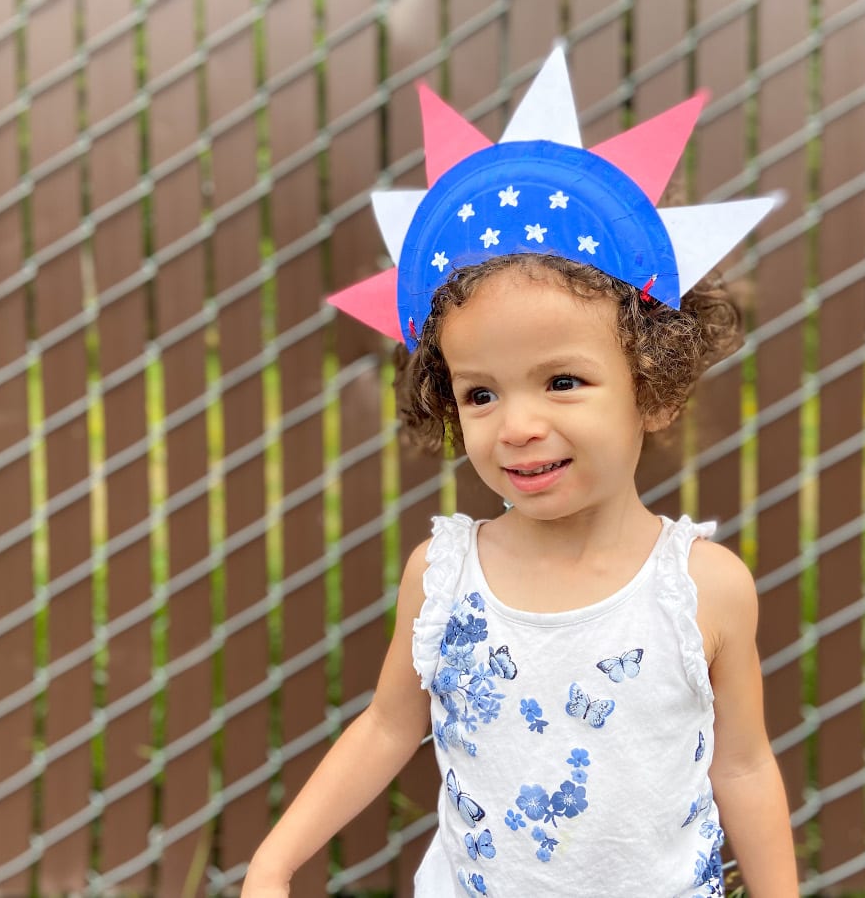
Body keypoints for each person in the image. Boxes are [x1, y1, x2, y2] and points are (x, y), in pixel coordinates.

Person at [244, 45, 798, 897]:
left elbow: (747, 767)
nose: (520, 425)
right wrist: (278, 861)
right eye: (481, 393)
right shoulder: (444, 579)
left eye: (563, 381)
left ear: (653, 388)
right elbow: (389, 727)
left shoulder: (702, 589)